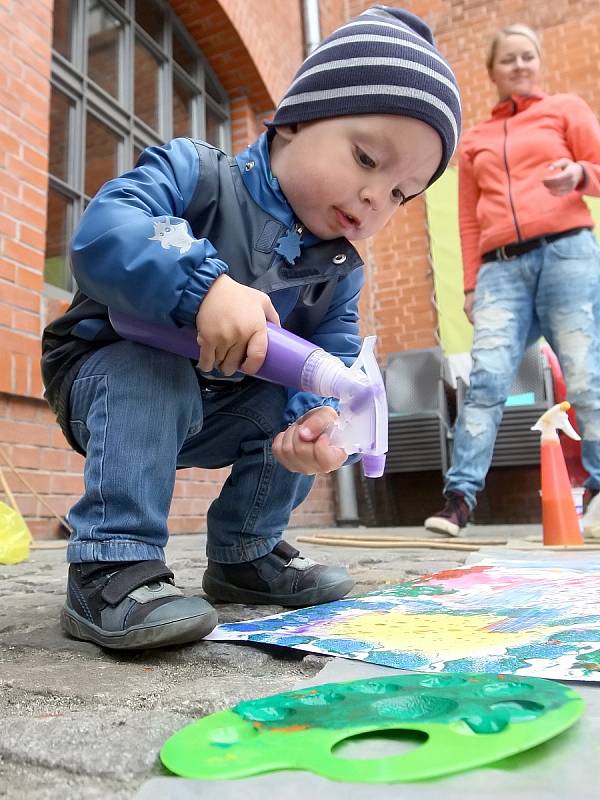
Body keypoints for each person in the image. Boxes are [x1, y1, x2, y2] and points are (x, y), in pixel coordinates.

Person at [41, 5, 461, 649]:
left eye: (403, 193)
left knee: (288, 403)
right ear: (293, 122)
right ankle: (111, 561)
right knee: (146, 371)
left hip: (219, 402)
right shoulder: (196, 175)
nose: (378, 197)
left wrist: (322, 420)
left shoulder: (338, 272)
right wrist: (199, 283)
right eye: (366, 158)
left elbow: (334, 358)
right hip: (107, 378)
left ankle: (246, 554)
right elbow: (104, 231)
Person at [425, 23, 600, 537]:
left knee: (586, 377)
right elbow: (468, 220)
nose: (519, 65)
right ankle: (459, 498)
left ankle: (598, 490)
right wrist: (472, 286)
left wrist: (580, 176)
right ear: (493, 72)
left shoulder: (565, 109)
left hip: (567, 253)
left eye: (527, 56)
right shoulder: (475, 139)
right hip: (501, 269)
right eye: (509, 59)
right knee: (486, 383)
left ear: (538, 61)